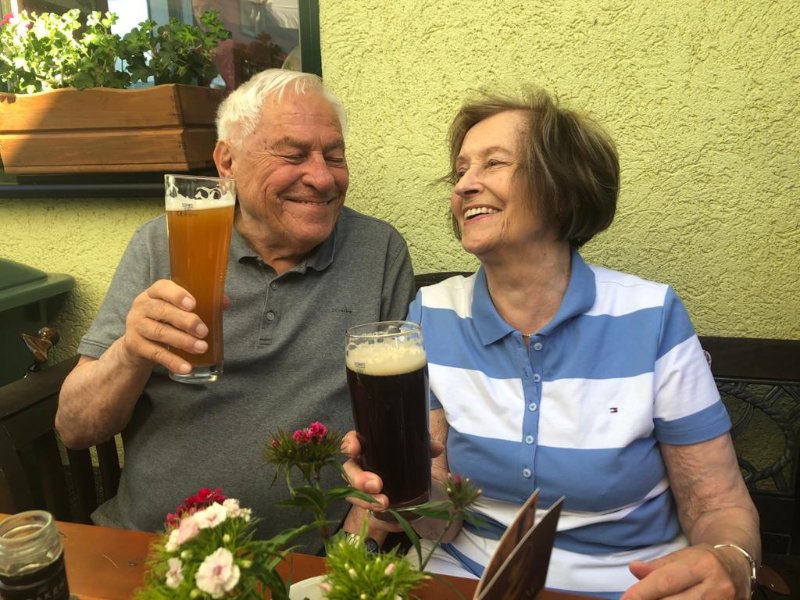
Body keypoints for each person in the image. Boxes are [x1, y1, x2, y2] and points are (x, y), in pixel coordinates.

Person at [343, 87, 760, 599]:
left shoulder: (650, 316)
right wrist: (397, 496)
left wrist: (730, 562)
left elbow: (718, 505)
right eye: (460, 171)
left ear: (562, 189)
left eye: (494, 163)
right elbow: (440, 522)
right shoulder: (432, 314)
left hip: (627, 586)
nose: (465, 185)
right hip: (467, 580)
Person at [55, 69, 416, 549]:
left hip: (311, 559)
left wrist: (354, 541)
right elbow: (74, 428)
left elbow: (397, 422)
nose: (322, 177)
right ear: (227, 161)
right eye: (293, 155)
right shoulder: (163, 244)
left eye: (335, 156)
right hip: (154, 550)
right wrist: (131, 352)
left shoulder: (378, 251)